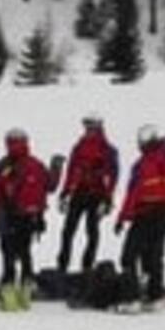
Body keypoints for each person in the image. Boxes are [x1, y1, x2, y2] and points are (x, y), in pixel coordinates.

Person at [115, 124, 165, 305]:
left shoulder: (141, 165)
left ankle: (132, 293)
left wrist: (121, 219)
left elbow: (132, 194)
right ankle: (153, 292)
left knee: (129, 256)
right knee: (154, 257)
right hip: (161, 216)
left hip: (143, 216)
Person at [55, 113, 120, 273]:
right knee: (68, 231)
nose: (88, 130)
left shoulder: (108, 149)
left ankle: (87, 266)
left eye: (91, 127)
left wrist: (108, 198)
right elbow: (71, 171)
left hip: (97, 195)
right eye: (86, 127)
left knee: (91, 231)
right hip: (79, 192)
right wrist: (65, 192)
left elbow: (113, 175)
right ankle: (62, 265)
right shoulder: (79, 147)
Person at [0, 128, 52, 303]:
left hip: (10, 214)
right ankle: (27, 283)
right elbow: (49, 186)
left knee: (8, 250)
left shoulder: (5, 165)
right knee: (25, 250)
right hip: (31, 216)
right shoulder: (36, 164)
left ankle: (8, 284)